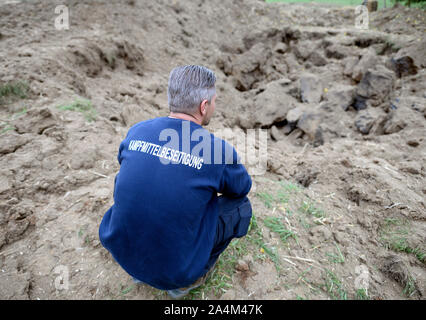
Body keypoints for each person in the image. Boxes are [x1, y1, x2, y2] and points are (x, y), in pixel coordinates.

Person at [98, 65, 252, 299]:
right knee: (241, 207)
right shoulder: (216, 151)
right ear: (203, 106)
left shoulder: (137, 131)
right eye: (214, 101)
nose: (214, 106)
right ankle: (190, 277)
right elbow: (241, 188)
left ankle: (141, 266)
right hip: (175, 273)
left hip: (122, 253)